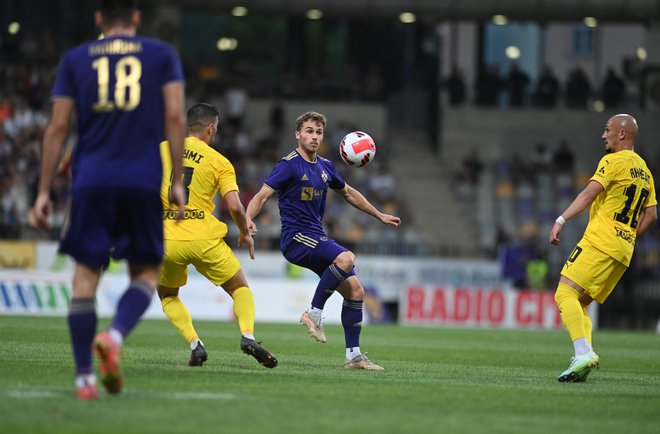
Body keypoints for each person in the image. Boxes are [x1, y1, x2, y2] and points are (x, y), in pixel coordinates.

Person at [31, 0, 186, 399]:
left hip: (90, 181)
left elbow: (58, 127)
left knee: (84, 279)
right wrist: (178, 182)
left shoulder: (75, 59)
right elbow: (175, 118)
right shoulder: (161, 56)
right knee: (147, 275)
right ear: (136, 17)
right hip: (141, 180)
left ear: (98, 18)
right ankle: (114, 336)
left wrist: (44, 190)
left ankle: (84, 379)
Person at [246, 111, 401, 371]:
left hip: (316, 237)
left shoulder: (326, 167)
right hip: (295, 238)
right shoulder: (288, 165)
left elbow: (349, 194)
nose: (314, 136)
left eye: (318, 132)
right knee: (347, 257)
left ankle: (353, 356)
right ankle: (313, 313)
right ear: (297, 134)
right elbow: (262, 196)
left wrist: (378, 214)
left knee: (355, 291)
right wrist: (248, 219)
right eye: (308, 131)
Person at [158, 103, 277, 369]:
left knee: (168, 295)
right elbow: (234, 206)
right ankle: (247, 335)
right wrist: (245, 233)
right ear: (211, 128)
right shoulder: (219, 161)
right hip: (203, 238)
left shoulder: (162, 149)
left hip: (165, 238)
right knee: (239, 288)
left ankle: (194, 343)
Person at [549, 114, 657, 382]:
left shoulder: (612, 161)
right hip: (623, 250)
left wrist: (561, 219)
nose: (603, 135)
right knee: (582, 302)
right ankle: (582, 358)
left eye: (607, 130)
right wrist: (628, 237)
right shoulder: (645, 171)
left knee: (564, 293)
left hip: (601, 240)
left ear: (622, 134)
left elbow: (588, 194)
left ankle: (583, 354)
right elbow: (652, 214)